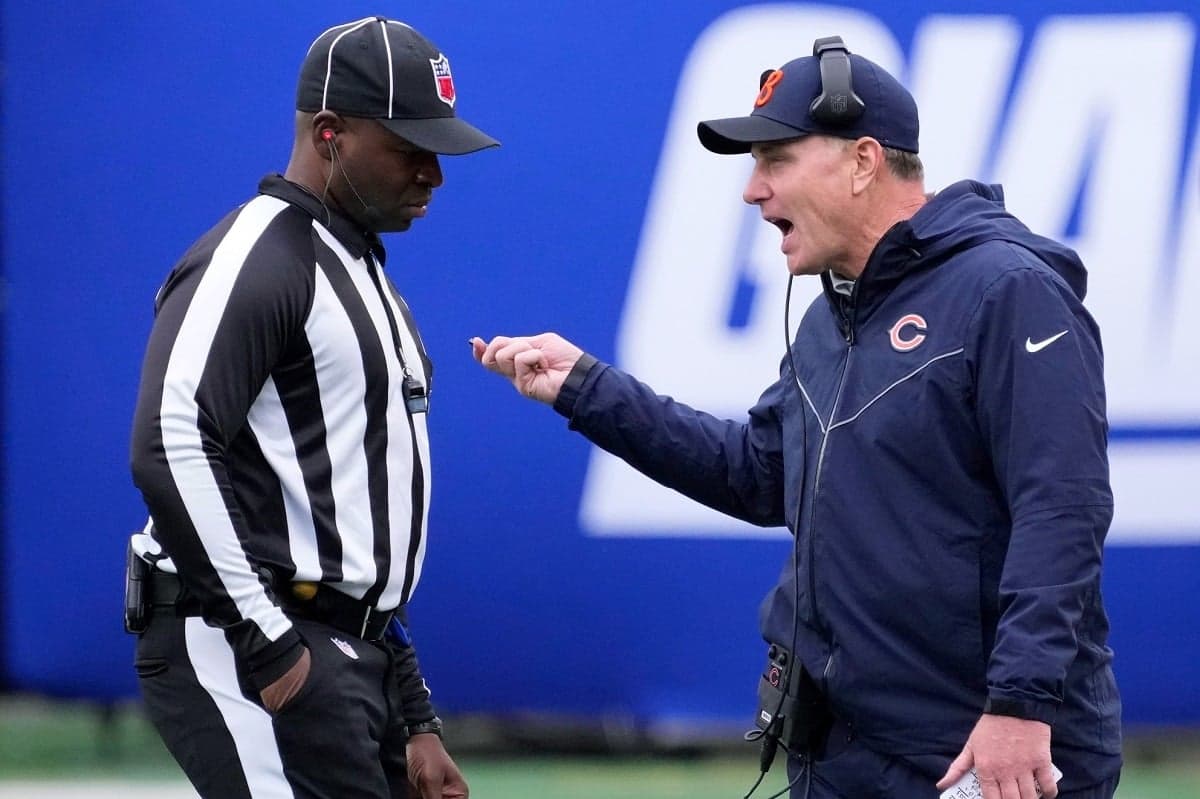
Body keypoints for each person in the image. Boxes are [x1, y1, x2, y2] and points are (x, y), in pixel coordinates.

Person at [471, 37, 1120, 799]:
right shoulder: (832, 313)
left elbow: (1062, 507)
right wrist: (588, 389)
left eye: (775, 160)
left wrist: (1020, 704)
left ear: (863, 161)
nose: (753, 191)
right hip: (843, 749)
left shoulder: (1007, 290)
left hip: (974, 751)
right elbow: (757, 473)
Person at [127, 16, 498, 799]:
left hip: (344, 647)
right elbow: (170, 439)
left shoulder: (359, 267)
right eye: (410, 147)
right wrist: (268, 646)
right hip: (251, 635)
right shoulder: (259, 255)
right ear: (330, 133)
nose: (434, 173)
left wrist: (413, 709)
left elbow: (358, 523)